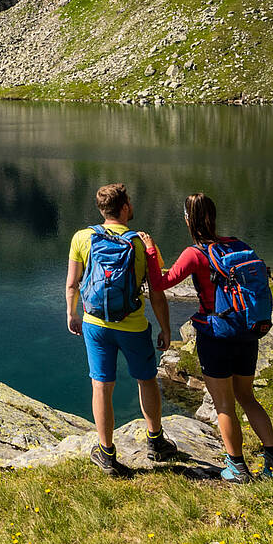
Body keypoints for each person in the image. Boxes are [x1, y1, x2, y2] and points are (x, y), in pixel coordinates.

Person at [152, 192, 273, 482]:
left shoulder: (195, 253)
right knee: (247, 397)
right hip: (247, 332)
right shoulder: (238, 245)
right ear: (213, 216)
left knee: (224, 405)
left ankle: (237, 467)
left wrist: (151, 251)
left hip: (216, 334)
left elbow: (161, 283)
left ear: (187, 219)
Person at [67, 183, 177, 475]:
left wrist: (71, 313)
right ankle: (156, 442)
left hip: (95, 324)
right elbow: (156, 291)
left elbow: (72, 284)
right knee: (146, 380)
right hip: (133, 325)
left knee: (101, 386)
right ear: (125, 207)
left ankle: (106, 453)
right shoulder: (142, 243)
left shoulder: (82, 237)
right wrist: (165, 328)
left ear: (102, 209)